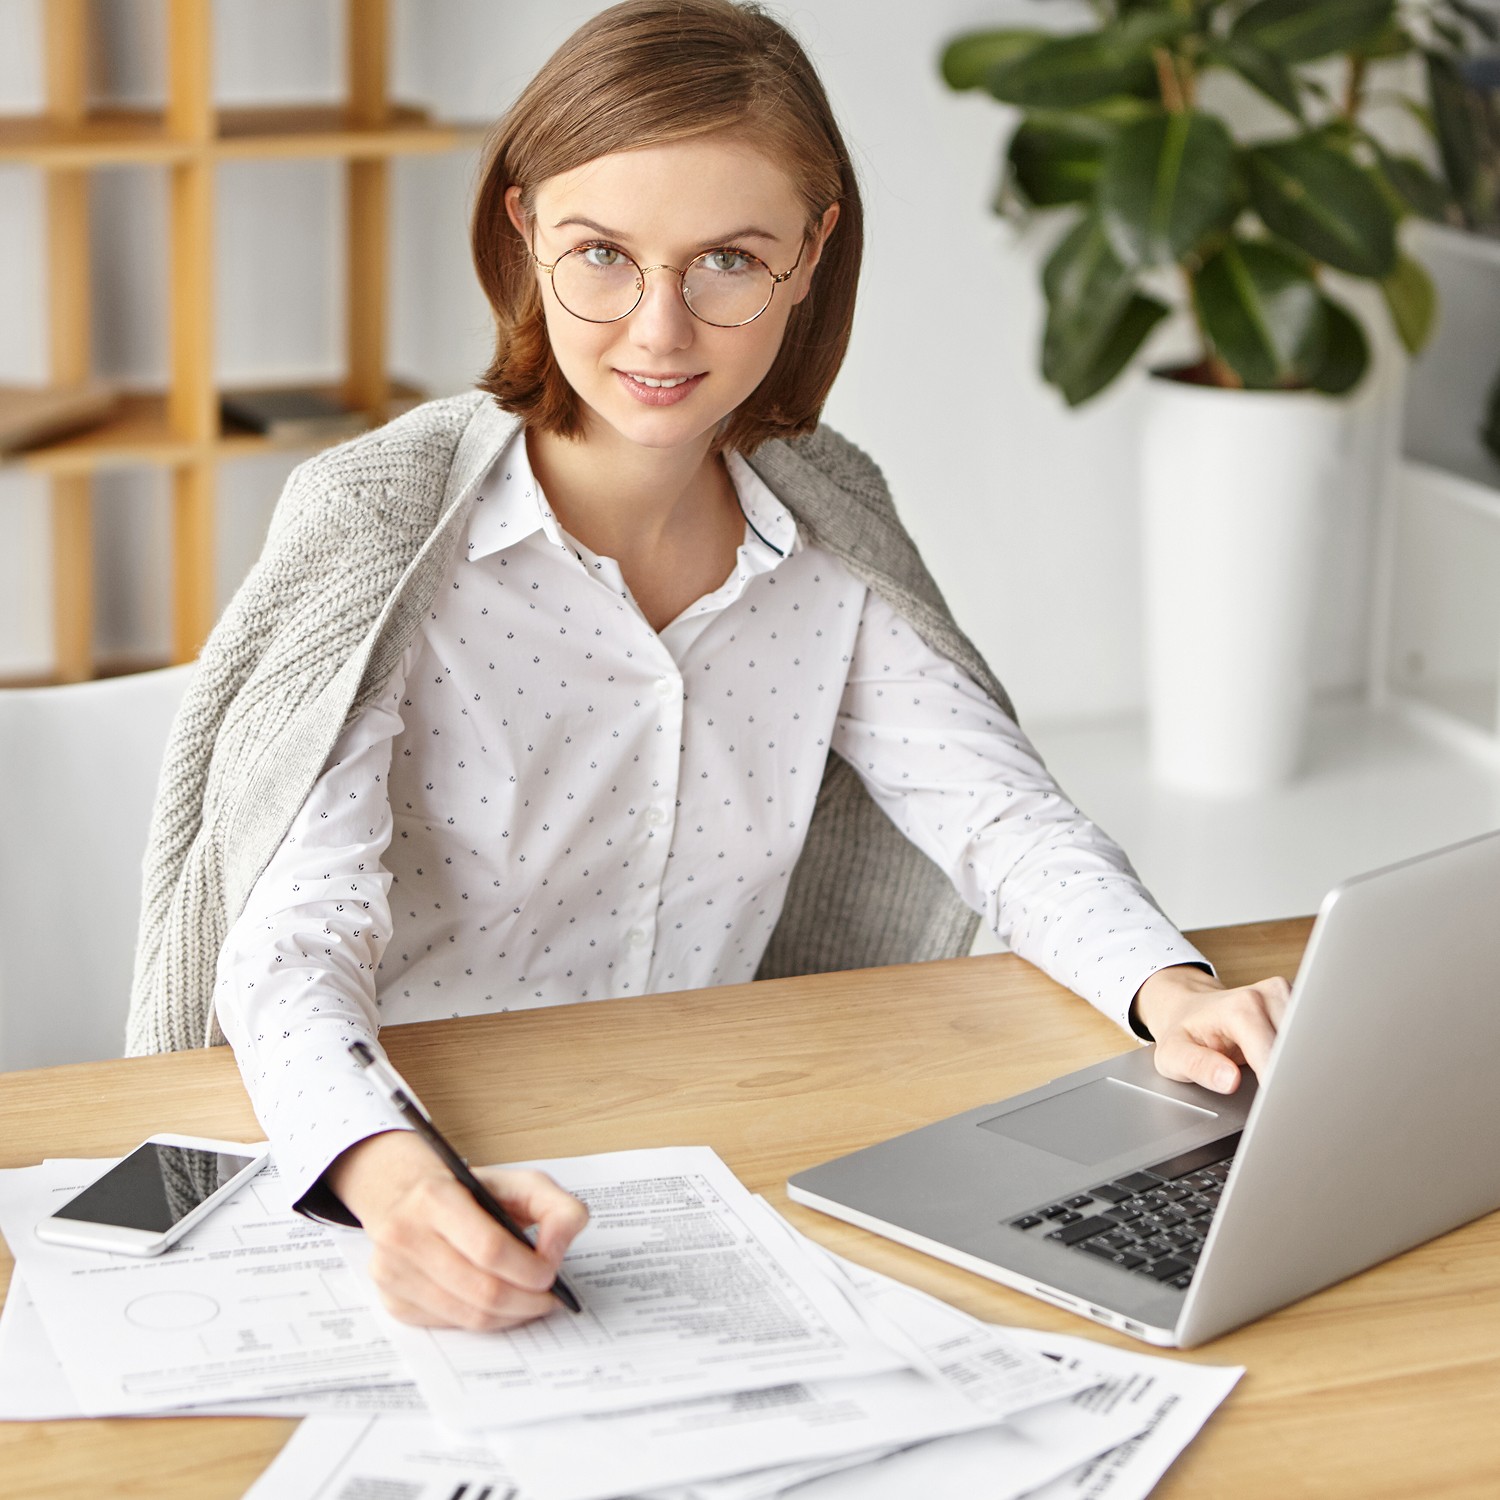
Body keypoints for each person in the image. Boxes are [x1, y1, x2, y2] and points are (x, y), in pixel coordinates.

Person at [127, 0, 1287, 1334]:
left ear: (811, 255)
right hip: (406, 1175)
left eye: (729, 259)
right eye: (602, 255)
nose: (659, 330)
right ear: (522, 233)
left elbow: (1003, 822)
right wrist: (394, 1187)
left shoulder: (830, 535)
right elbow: (290, 948)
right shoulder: (389, 535)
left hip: (716, 1161)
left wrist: (1172, 991)